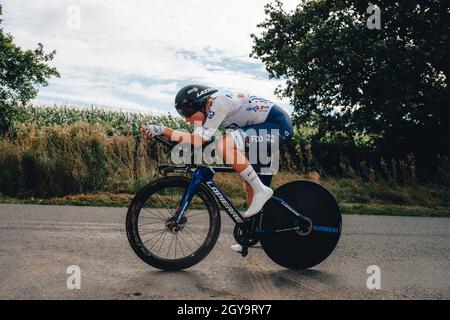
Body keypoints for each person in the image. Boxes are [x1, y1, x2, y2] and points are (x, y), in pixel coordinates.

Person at [141, 84, 293, 252]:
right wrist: (161, 135)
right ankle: (251, 235)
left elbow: (199, 139)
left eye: (187, 114)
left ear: (201, 105)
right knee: (250, 186)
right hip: (263, 131)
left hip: (277, 126)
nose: (186, 119)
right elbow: (194, 141)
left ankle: (261, 191)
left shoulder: (219, 104)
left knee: (225, 146)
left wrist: (163, 129)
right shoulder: (206, 113)